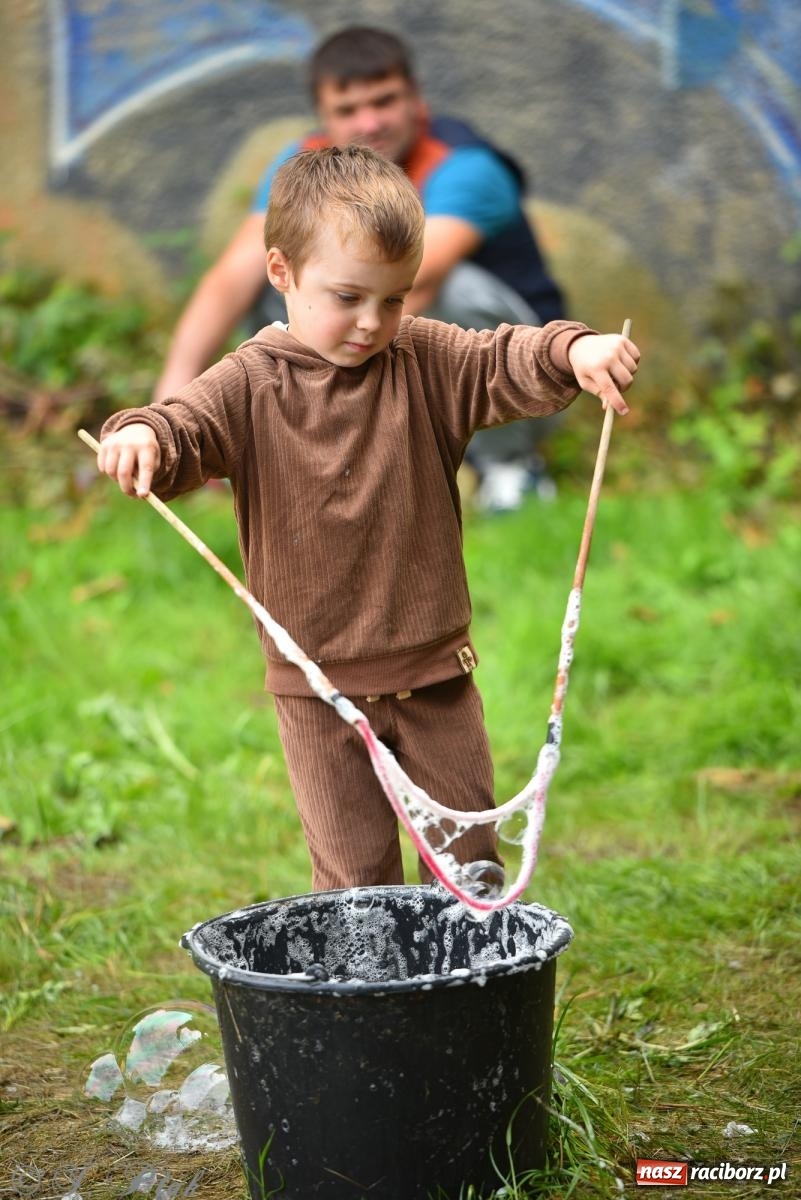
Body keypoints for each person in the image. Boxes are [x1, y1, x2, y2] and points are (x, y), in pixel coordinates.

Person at [97, 146, 640, 892]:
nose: (371, 322)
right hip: (315, 690)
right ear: (280, 271)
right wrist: (141, 436)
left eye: (394, 298)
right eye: (348, 296)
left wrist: (573, 348)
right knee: (355, 883)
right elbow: (180, 425)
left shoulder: (424, 359)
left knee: (470, 867)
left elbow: (504, 359)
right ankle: (370, 1008)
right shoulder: (248, 385)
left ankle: (472, 1000)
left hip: (435, 676)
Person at [154, 25, 567, 509]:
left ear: (417, 100)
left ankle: (509, 466)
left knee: (435, 287)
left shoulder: (466, 166)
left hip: (505, 373)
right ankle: (299, 451)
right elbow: (232, 276)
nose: (369, 123)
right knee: (287, 280)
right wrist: (172, 404)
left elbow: (413, 284)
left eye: (384, 101)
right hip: (382, 362)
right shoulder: (303, 165)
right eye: (347, 110)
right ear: (323, 118)